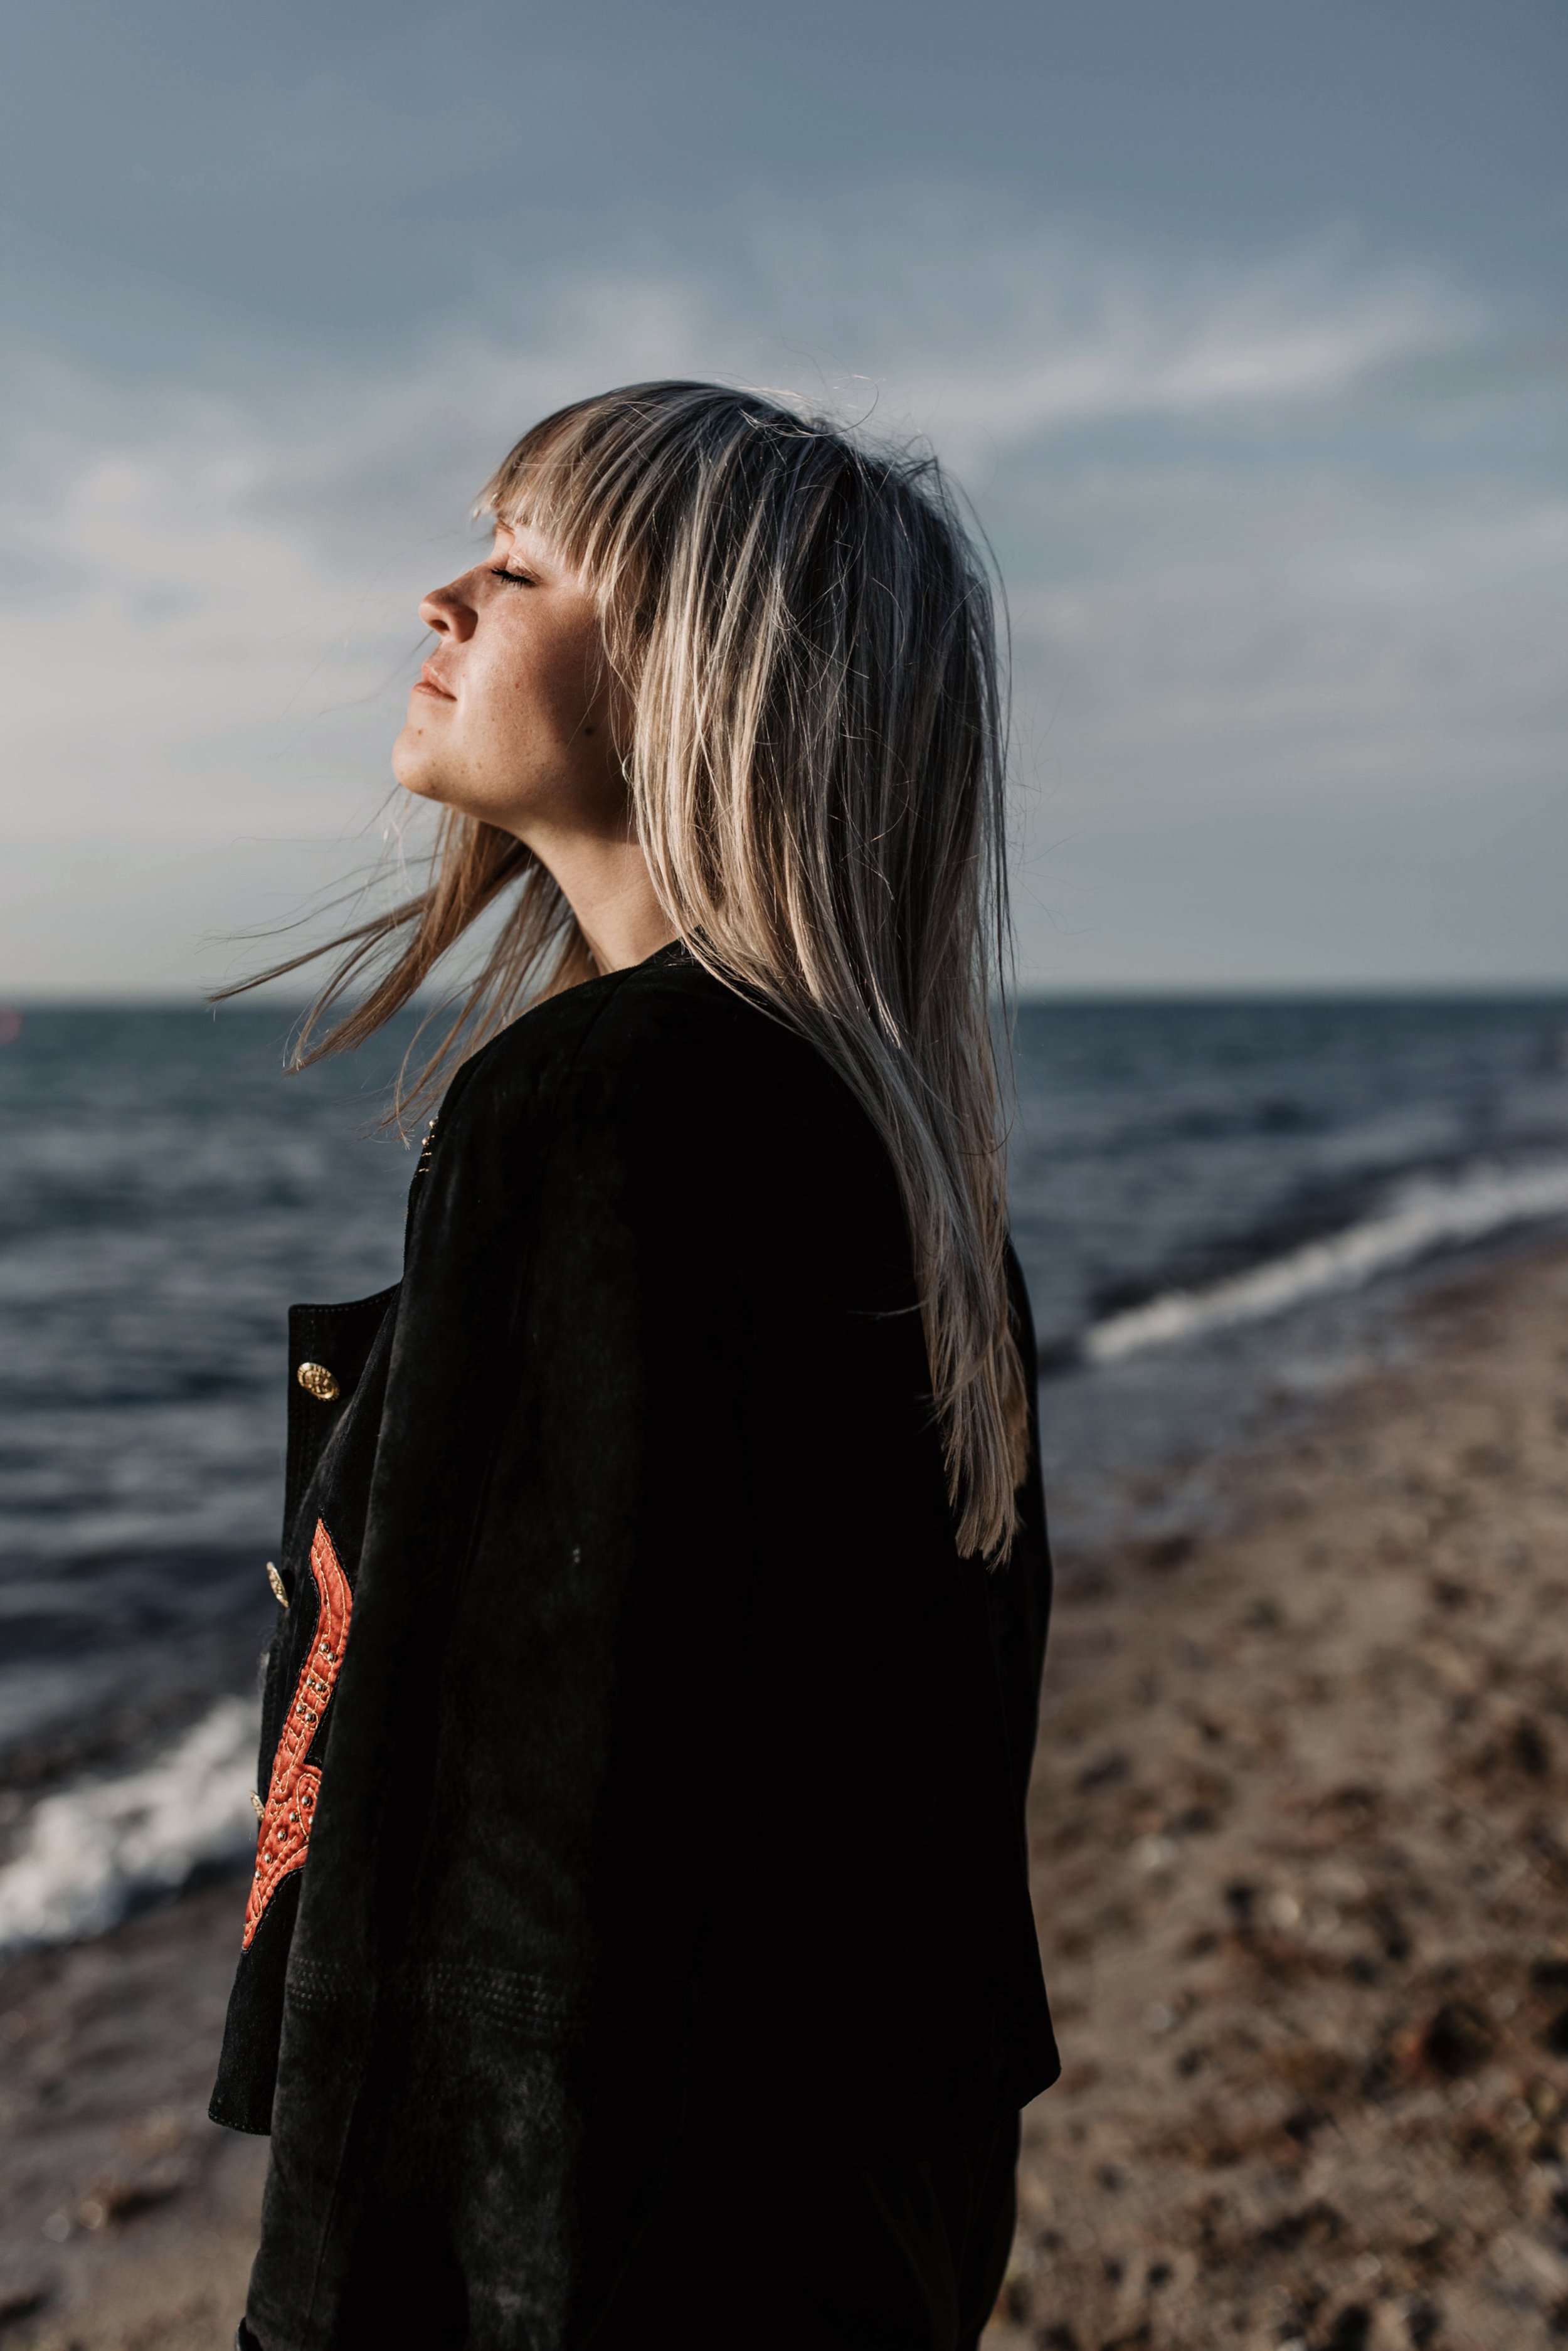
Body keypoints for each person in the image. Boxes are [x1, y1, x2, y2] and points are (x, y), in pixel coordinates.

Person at [211, 381, 1058, 2350]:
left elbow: (484, 1894)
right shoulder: (909, 1164)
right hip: (843, 2233)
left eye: (515, 564)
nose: (439, 596)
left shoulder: (598, 1116)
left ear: (700, 681)